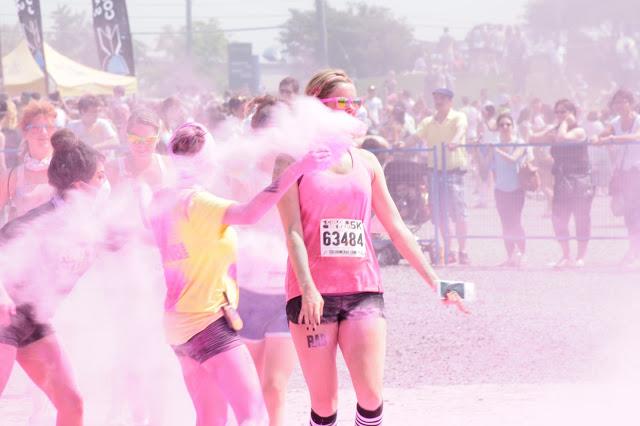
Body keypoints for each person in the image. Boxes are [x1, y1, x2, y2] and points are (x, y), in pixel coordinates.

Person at [276, 69, 467, 426]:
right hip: (312, 296)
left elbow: (397, 228)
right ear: (316, 107)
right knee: (324, 403)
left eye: (356, 104)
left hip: (363, 289)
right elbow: (292, 232)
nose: (351, 111)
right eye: (341, 103)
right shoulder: (293, 162)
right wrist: (307, 289)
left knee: (371, 395)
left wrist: (438, 282)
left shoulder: (367, 162)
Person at [148, 122, 331, 425]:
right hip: (206, 320)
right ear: (206, 160)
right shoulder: (198, 201)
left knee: (211, 417)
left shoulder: (161, 200)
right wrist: (298, 168)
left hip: (177, 323)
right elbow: (250, 213)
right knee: (253, 414)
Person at [0, 131, 111, 426]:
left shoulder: (91, 226)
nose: (106, 184)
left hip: (34, 324)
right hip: (3, 323)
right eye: (101, 177)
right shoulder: (40, 222)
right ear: (79, 186)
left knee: (71, 404)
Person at [228, 96, 298, 426]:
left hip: (286, 293)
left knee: (275, 387)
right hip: (247, 293)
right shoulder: (239, 176)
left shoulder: (297, 176)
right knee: (249, 388)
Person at [531, 99, 593, 268]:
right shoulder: (557, 129)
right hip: (561, 179)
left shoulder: (579, 130)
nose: (559, 115)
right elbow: (533, 138)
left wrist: (563, 124)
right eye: (557, 112)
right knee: (558, 219)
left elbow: (563, 138)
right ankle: (566, 255)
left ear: (573, 113)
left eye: (563, 112)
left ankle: (580, 257)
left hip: (580, 179)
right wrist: (549, 130)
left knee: (581, 219)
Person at [415, 88, 470, 264]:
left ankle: (463, 250)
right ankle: (450, 249)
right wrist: (400, 144)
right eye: (436, 98)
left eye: (442, 99)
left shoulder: (458, 117)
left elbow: (461, 130)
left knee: (459, 213)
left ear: (450, 101)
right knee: (439, 214)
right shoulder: (427, 122)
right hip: (435, 173)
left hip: (454, 172)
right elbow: (416, 137)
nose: (438, 101)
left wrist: (455, 141)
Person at [597, 89, 640, 266]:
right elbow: (603, 134)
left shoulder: (638, 120)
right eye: (616, 103)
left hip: (637, 170)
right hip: (623, 173)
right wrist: (599, 138)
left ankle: (634, 250)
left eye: (623, 102)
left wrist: (613, 138)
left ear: (631, 103)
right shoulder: (615, 122)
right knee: (629, 214)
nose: (620, 106)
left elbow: (637, 136)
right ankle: (633, 249)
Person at [0, 100, 57, 223]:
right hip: (23, 241)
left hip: (61, 240)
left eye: (49, 126)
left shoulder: (67, 170)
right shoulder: (13, 176)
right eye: (36, 127)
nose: (44, 132)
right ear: (25, 132)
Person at [492, 113, 530, 266]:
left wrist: (497, 150)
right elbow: (485, 164)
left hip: (516, 189)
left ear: (513, 126)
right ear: (498, 128)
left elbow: (513, 159)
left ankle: (522, 253)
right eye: (502, 125)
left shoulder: (519, 142)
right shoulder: (495, 143)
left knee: (515, 222)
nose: (505, 127)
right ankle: (510, 256)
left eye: (508, 124)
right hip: (500, 189)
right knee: (505, 224)